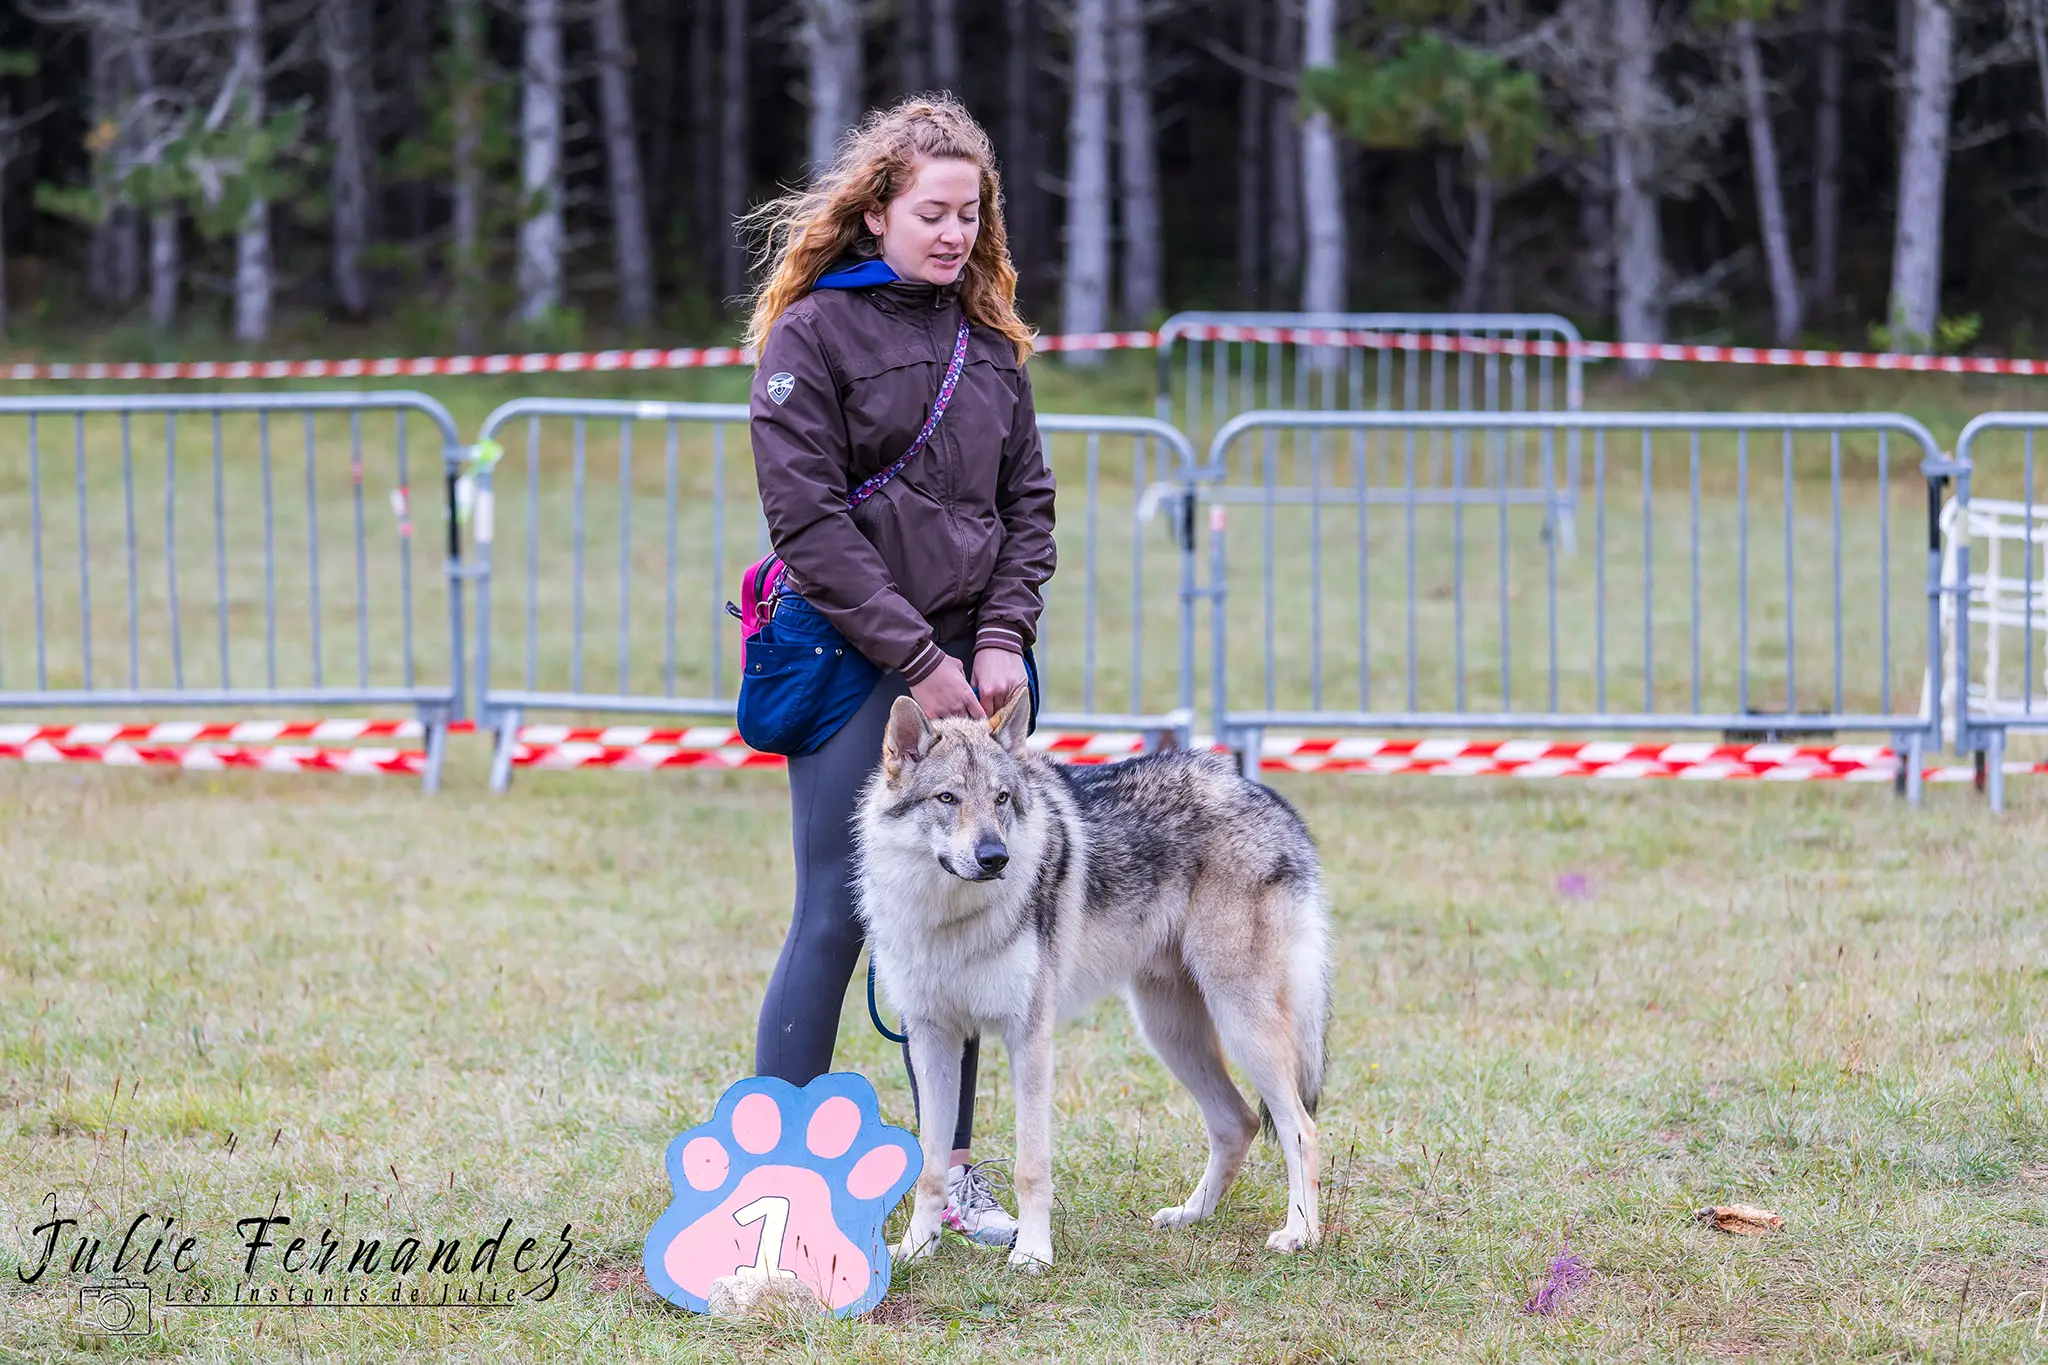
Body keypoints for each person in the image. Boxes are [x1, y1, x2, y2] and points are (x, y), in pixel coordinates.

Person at [743, 97, 1057, 1248]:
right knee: (833, 914)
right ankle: (772, 1185)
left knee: (971, 920)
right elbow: (806, 521)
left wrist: (1000, 638)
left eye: (969, 214)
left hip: (977, 673)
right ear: (874, 210)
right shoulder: (810, 338)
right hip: (853, 661)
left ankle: (952, 1178)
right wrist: (918, 662)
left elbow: (1028, 507)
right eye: (930, 212)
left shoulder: (989, 343)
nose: (953, 233)